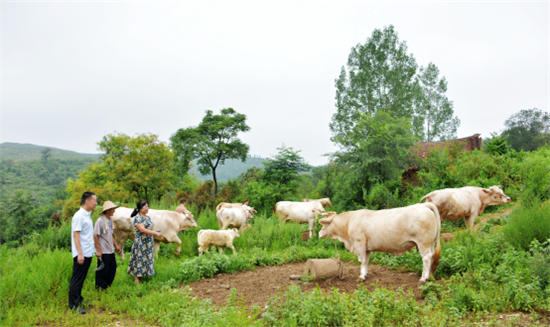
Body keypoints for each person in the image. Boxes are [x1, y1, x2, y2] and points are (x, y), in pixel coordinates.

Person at [69, 192, 97, 314]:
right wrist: (80, 254)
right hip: (82, 253)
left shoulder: (87, 215)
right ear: (87, 201)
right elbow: (76, 235)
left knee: (82, 278)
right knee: (77, 278)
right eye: (95, 201)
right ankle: (73, 305)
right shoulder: (79, 216)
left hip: (88, 251)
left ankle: (79, 299)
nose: (96, 203)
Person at [127, 201, 163, 284]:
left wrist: (155, 231)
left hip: (148, 242)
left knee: (145, 259)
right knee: (138, 260)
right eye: (146, 207)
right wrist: (155, 233)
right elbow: (142, 230)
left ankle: (141, 277)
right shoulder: (138, 218)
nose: (148, 208)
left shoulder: (147, 217)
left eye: (148, 206)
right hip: (141, 242)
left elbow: (148, 229)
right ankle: (136, 279)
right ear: (140, 208)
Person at [93, 201, 123, 290]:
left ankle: (107, 285)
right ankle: (100, 288)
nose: (114, 211)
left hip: (110, 249)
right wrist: (98, 250)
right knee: (103, 270)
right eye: (112, 209)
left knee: (112, 268)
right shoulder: (100, 221)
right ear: (107, 210)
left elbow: (110, 235)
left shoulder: (110, 220)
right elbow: (95, 235)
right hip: (103, 250)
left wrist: (116, 245)